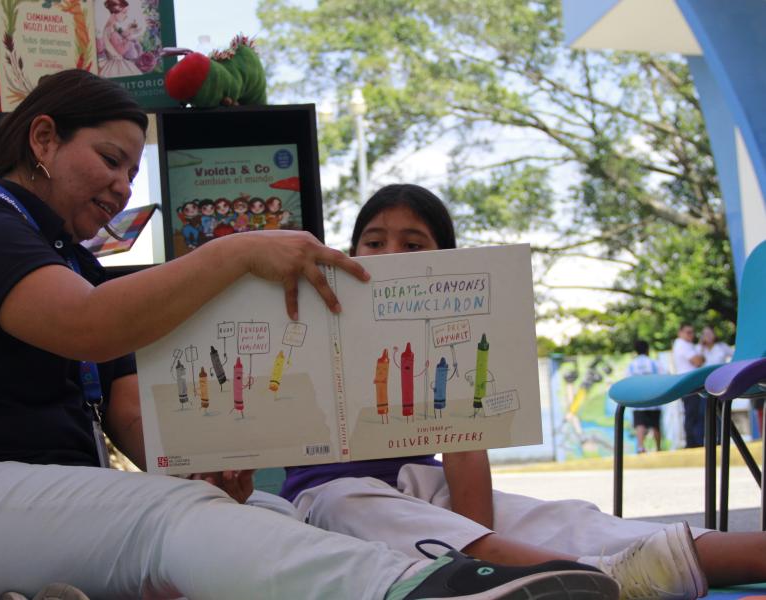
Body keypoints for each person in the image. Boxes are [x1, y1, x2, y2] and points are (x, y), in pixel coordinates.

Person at [0, 71, 618, 600]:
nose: (125, 186)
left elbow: (132, 414)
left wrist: (207, 467)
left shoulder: (70, 263)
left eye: (134, 170)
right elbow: (89, 330)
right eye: (111, 159)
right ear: (42, 138)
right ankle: (421, 589)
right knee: (168, 519)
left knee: (263, 514)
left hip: (10, 515)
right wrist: (234, 252)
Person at [276, 183, 766, 600]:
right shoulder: (319, 320)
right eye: (374, 241)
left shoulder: (453, 334)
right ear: (352, 251)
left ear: (442, 261)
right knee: (350, 505)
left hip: (417, 482)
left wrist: (481, 537)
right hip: (327, 494)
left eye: (412, 244)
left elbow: (465, 459)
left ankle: (744, 553)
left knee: (563, 519)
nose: (389, 256)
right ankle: (597, 578)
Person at [626, 340, 663, 452]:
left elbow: (628, 381)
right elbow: (662, 377)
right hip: (653, 398)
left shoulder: (632, 365)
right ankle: (658, 448)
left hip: (638, 399)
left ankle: (640, 447)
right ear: (647, 349)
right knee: (655, 424)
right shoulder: (653, 363)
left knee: (640, 424)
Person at [673, 323, 706, 447]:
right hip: (690, 384)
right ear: (680, 333)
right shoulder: (683, 344)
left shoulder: (686, 345)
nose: (691, 335)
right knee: (693, 414)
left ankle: (694, 442)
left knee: (695, 414)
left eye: (692, 332)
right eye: (688, 332)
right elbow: (698, 361)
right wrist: (701, 356)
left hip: (690, 383)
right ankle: (693, 443)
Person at [98, 0, 143, 78]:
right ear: (114, 12)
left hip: (116, 62)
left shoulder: (112, 27)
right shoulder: (110, 29)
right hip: (116, 64)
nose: (126, 16)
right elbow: (121, 50)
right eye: (124, 12)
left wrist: (128, 31)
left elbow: (118, 41)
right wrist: (129, 38)